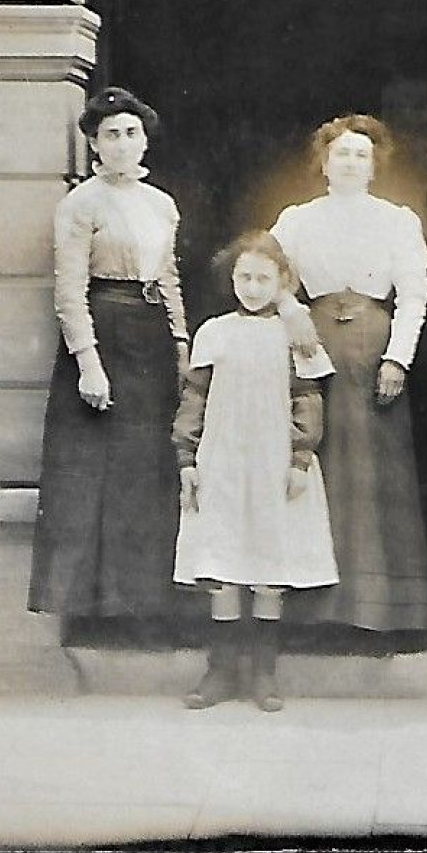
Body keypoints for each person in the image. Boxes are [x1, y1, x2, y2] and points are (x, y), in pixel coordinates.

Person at [28, 87, 189, 629]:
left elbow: (168, 279)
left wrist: (182, 346)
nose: (123, 144)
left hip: (150, 341)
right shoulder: (82, 204)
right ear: (95, 145)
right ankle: (95, 610)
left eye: (131, 133)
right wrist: (89, 364)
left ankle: (143, 605)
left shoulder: (161, 204)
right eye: (111, 135)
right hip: (104, 331)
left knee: (146, 470)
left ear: (145, 140)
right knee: (94, 474)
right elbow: (69, 291)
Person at [268, 115, 427, 634]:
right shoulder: (297, 220)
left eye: (361, 155)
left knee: (374, 470)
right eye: (341, 153)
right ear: (323, 162)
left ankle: (379, 611)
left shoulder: (396, 220)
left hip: (372, 348)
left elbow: (413, 293)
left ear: (374, 166)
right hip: (311, 344)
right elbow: (263, 271)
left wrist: (398, 358)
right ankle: (313, 613)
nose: (351, 162)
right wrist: (291, 311)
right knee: (316, 460)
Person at [172, 232, 338, 712]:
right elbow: (194, 400)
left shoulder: (295, 335)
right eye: (243, 277)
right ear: (232, 279)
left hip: (273, 463)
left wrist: (299, 459)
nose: (252, 286)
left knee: (269, 565)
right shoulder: (214, 332)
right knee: (223, 563)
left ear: (281, 282)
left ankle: (264, 671)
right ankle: (221, 670)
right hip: (223, 461)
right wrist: (188, 459)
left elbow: (307, 399)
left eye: (263, 278)